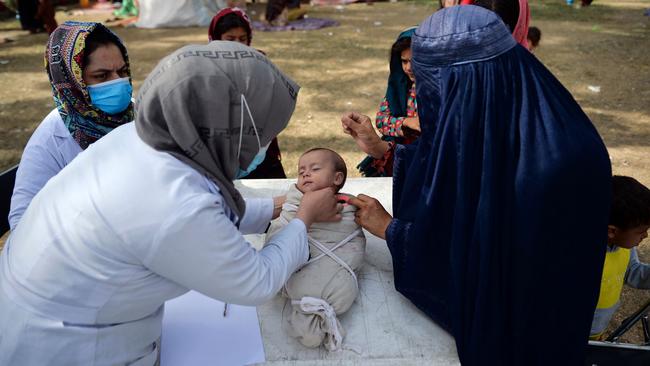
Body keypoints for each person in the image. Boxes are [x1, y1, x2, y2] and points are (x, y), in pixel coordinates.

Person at [0, 41, 342, 365]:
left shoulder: (145, 137)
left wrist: (276, 207)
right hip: (67, 347)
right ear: (230, 125)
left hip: (49, 304)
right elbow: (256, 280)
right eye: (262, 134)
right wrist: (303, 219)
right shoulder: (174, 200)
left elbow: (207, 212)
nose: (264, 145)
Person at [345, 6, 611, 364]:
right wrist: (383, 149)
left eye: (432, 89)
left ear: (460, 86)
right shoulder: (506, 107)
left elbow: (485, 273)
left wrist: (394, 232)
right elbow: (456, 159)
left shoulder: (557, 167)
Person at [8, 21, 134, 231]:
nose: (118, 83)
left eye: (122, 72)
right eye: (101, 76)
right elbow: (22, 224)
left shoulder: (139, 116)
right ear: (72, 78)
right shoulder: (50, 142)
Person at [266, 148, 365, 351]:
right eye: (301, 170)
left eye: (315, 168)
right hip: (298, 277)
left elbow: (354, 242)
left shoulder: (349, 207)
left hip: (335, 274)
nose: (305, 173)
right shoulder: (292, 204)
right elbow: (281, 228)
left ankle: (316, 308)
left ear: (337, 178)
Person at [208, 7, 287, 179]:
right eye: (230, 39)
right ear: (216, 38)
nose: (237, 44)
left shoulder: (259, 61)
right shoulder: (205, 65)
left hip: (258, 146)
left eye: (242, 39)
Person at [590, 176, 650, 340]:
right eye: (641, 231)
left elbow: (633, 272)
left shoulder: (625, 249)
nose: (645, 235)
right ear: (612, 231)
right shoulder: (582, 255)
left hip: (598, 331)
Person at [358, 27, 419, 177]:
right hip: (399, 154)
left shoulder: (443, 90)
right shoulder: (400, 88)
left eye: (415, 61)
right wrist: (406, 122)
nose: (409, 68)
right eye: (404, 61)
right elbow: (381, 120)